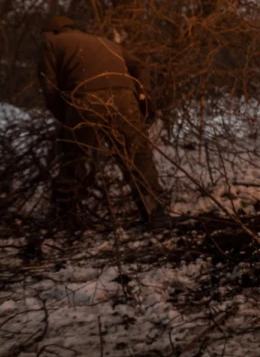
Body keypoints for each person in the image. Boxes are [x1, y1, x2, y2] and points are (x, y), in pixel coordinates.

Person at [38, 16, 168, 229]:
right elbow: (139, 65)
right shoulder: (105, 42)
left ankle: (63, 217)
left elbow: (49, 87)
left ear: (52, 31)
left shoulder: (51, 43)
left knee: (74, 156)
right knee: (136, 155)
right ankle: (155, 213)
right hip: (124, 97)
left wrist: (64, 119)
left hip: (85, 98)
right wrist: (144, 95)